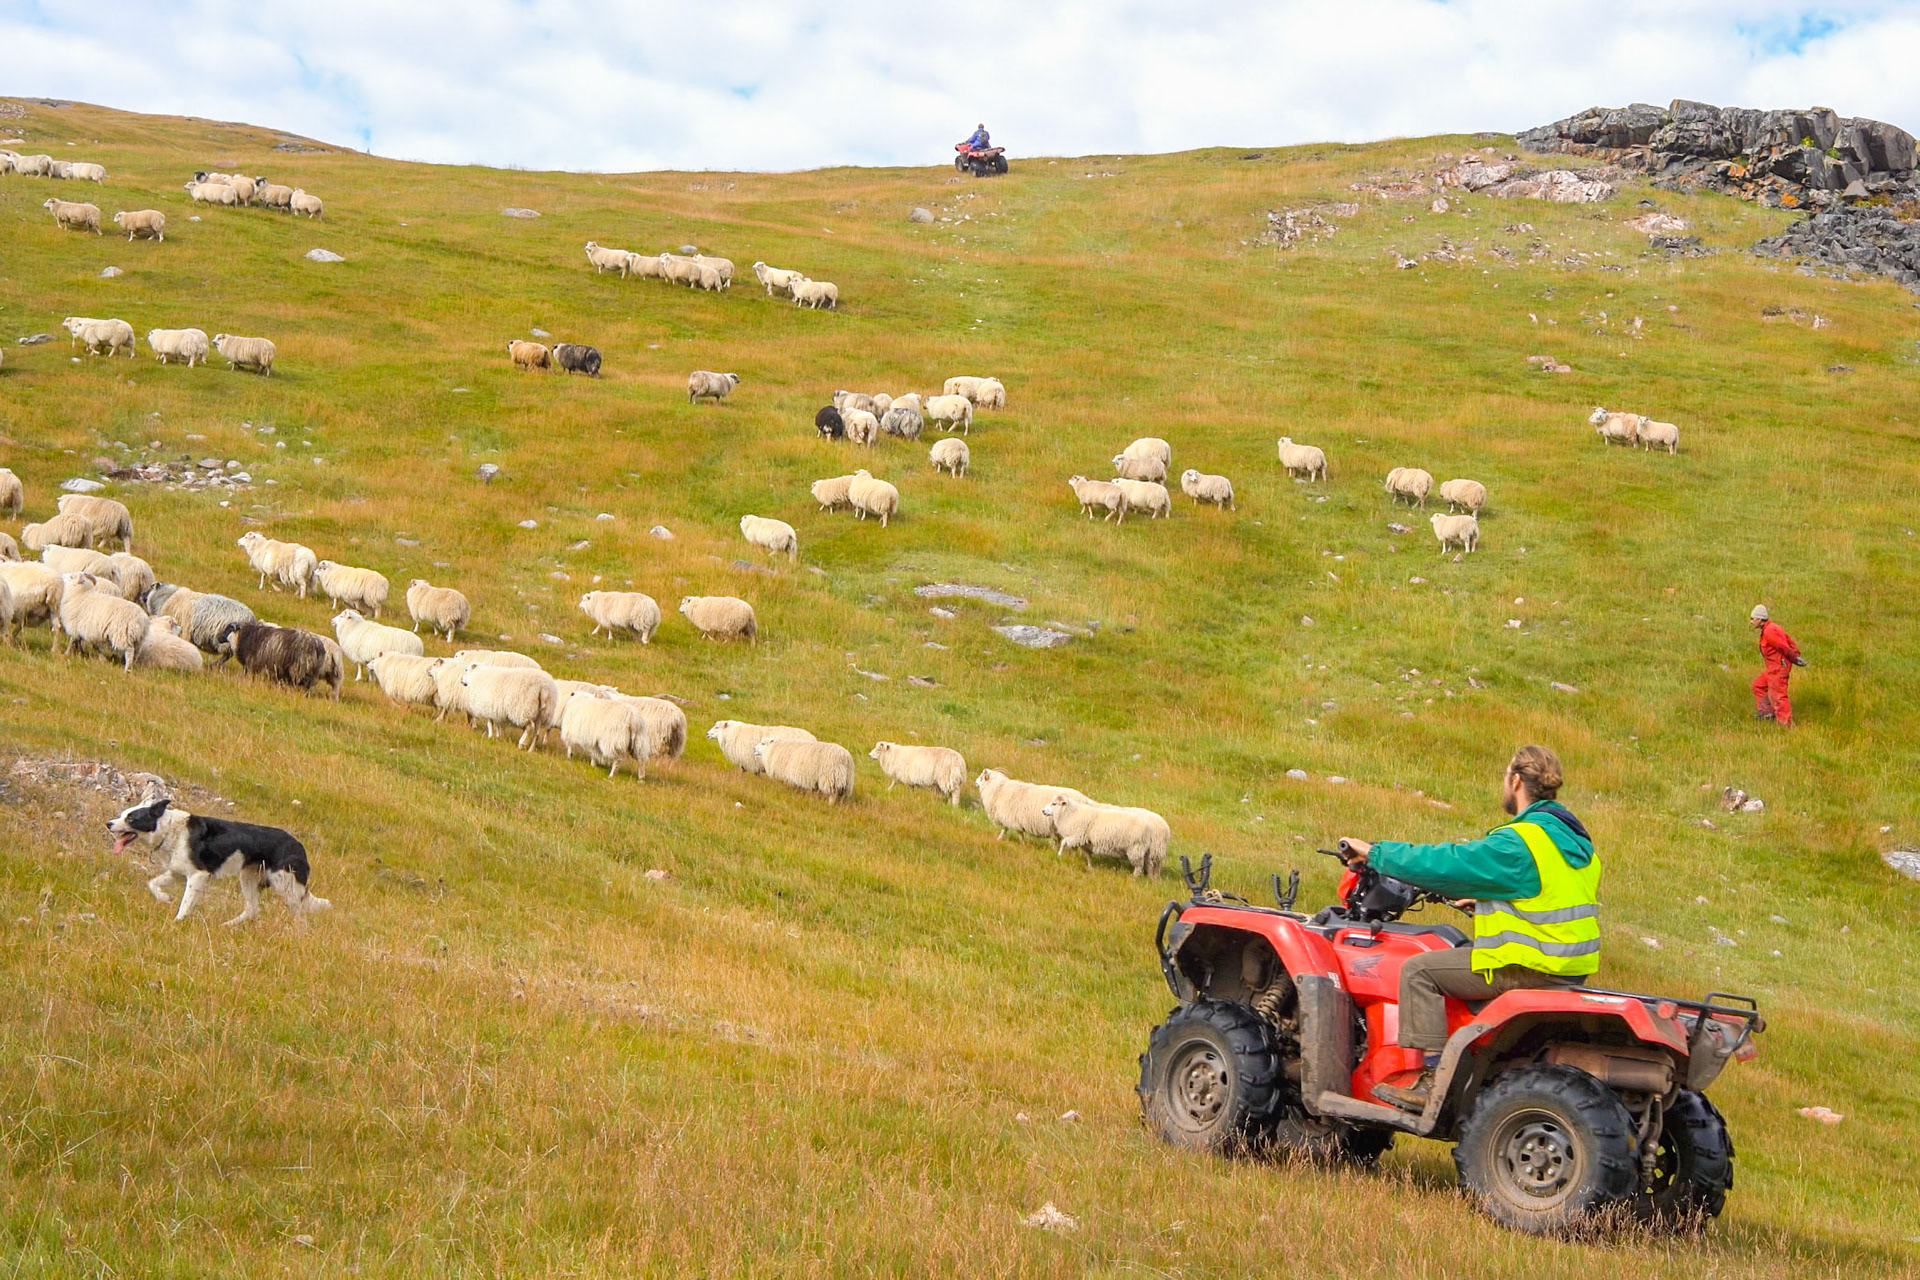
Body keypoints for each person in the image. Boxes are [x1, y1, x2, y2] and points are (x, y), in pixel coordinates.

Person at [1336, 745, 1599, 1112]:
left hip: (1525, 969)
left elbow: (1449, 864)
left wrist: (1377, 853)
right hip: (1566, 969)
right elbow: (1547, 897)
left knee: (1417, 971)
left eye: (1506, 777)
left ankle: (1431, 1081)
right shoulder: (1575, 844)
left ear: (1517, 780)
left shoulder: (1521, 841)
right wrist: (1489, 901)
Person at [1749, 605, 1805, 726]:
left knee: (1778, 696)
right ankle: (1766, 712)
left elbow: (1782, 646)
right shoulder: (1773, 627)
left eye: (1753, 618)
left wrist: (1794, 658)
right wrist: (1795, 654)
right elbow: (1789, 640)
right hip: (1773, 668)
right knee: (1758, 685)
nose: (1751, 621)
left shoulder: (1769, 632)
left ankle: (1785, 725)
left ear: (1760, 619)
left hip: (1778, 668)